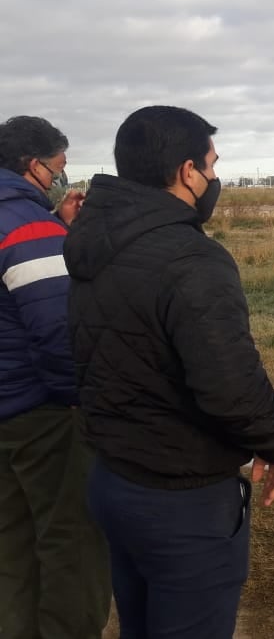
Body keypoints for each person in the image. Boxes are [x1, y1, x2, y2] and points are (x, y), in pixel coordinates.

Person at [63, 105, 274, 638]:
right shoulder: (192, 259)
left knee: (139, 625)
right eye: (211, 167)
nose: (214, 179)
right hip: (182, 499)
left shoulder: (90, 243)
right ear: (186, 172)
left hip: (111, 478)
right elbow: (231, 388)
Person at [0, 115, 109, 639]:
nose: (62, 178)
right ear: (33, 165)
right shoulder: (25, 225)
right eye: (59, 168)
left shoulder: (29, 219)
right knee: (72, 542)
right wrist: (77, 400)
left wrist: (57, 224)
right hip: (37, 414)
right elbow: (56, 328)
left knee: (11, 545)